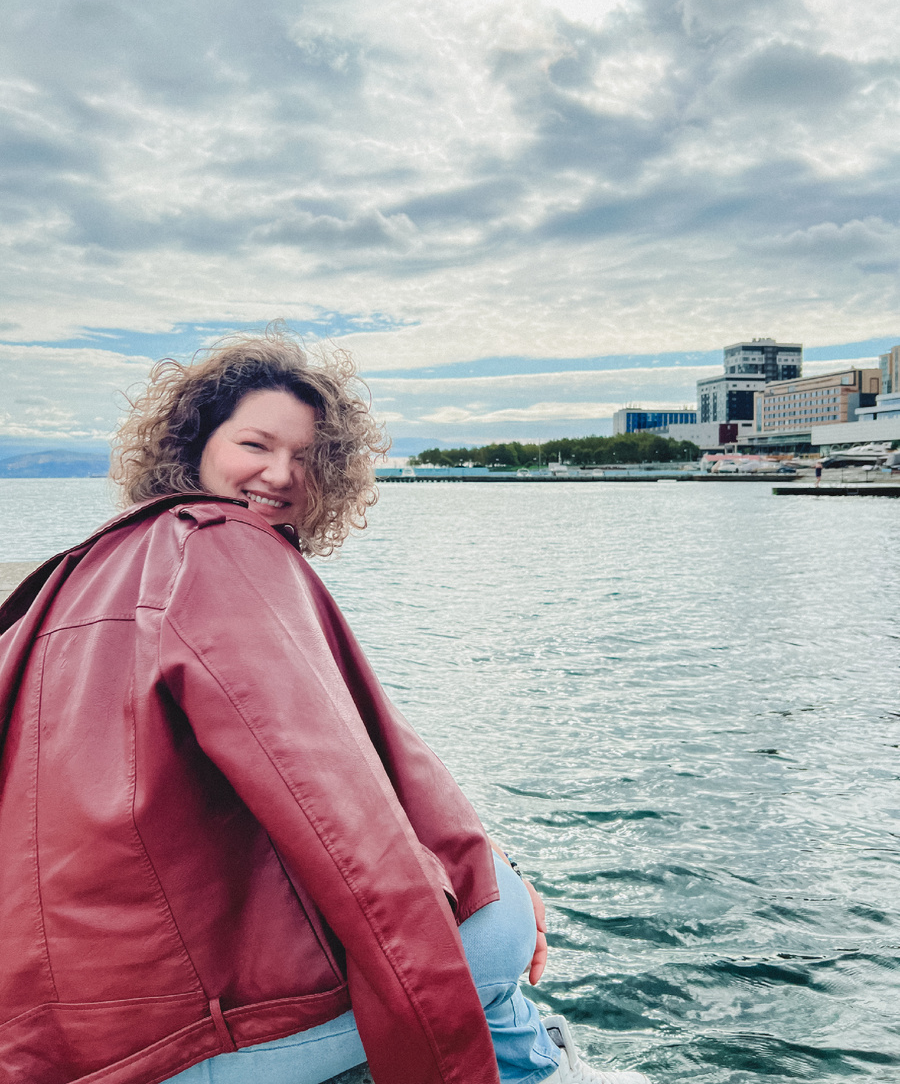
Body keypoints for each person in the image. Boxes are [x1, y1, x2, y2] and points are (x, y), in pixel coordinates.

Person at [0, 330, 651, 1084]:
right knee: (492, 924)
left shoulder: (83, 569)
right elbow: (335, 808)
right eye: (256, 444)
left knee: (482, 903)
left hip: (56, 1028)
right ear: (197, 442)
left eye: (307, 458)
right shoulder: (221, 545)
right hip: (172, 1045)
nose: (280, 474)